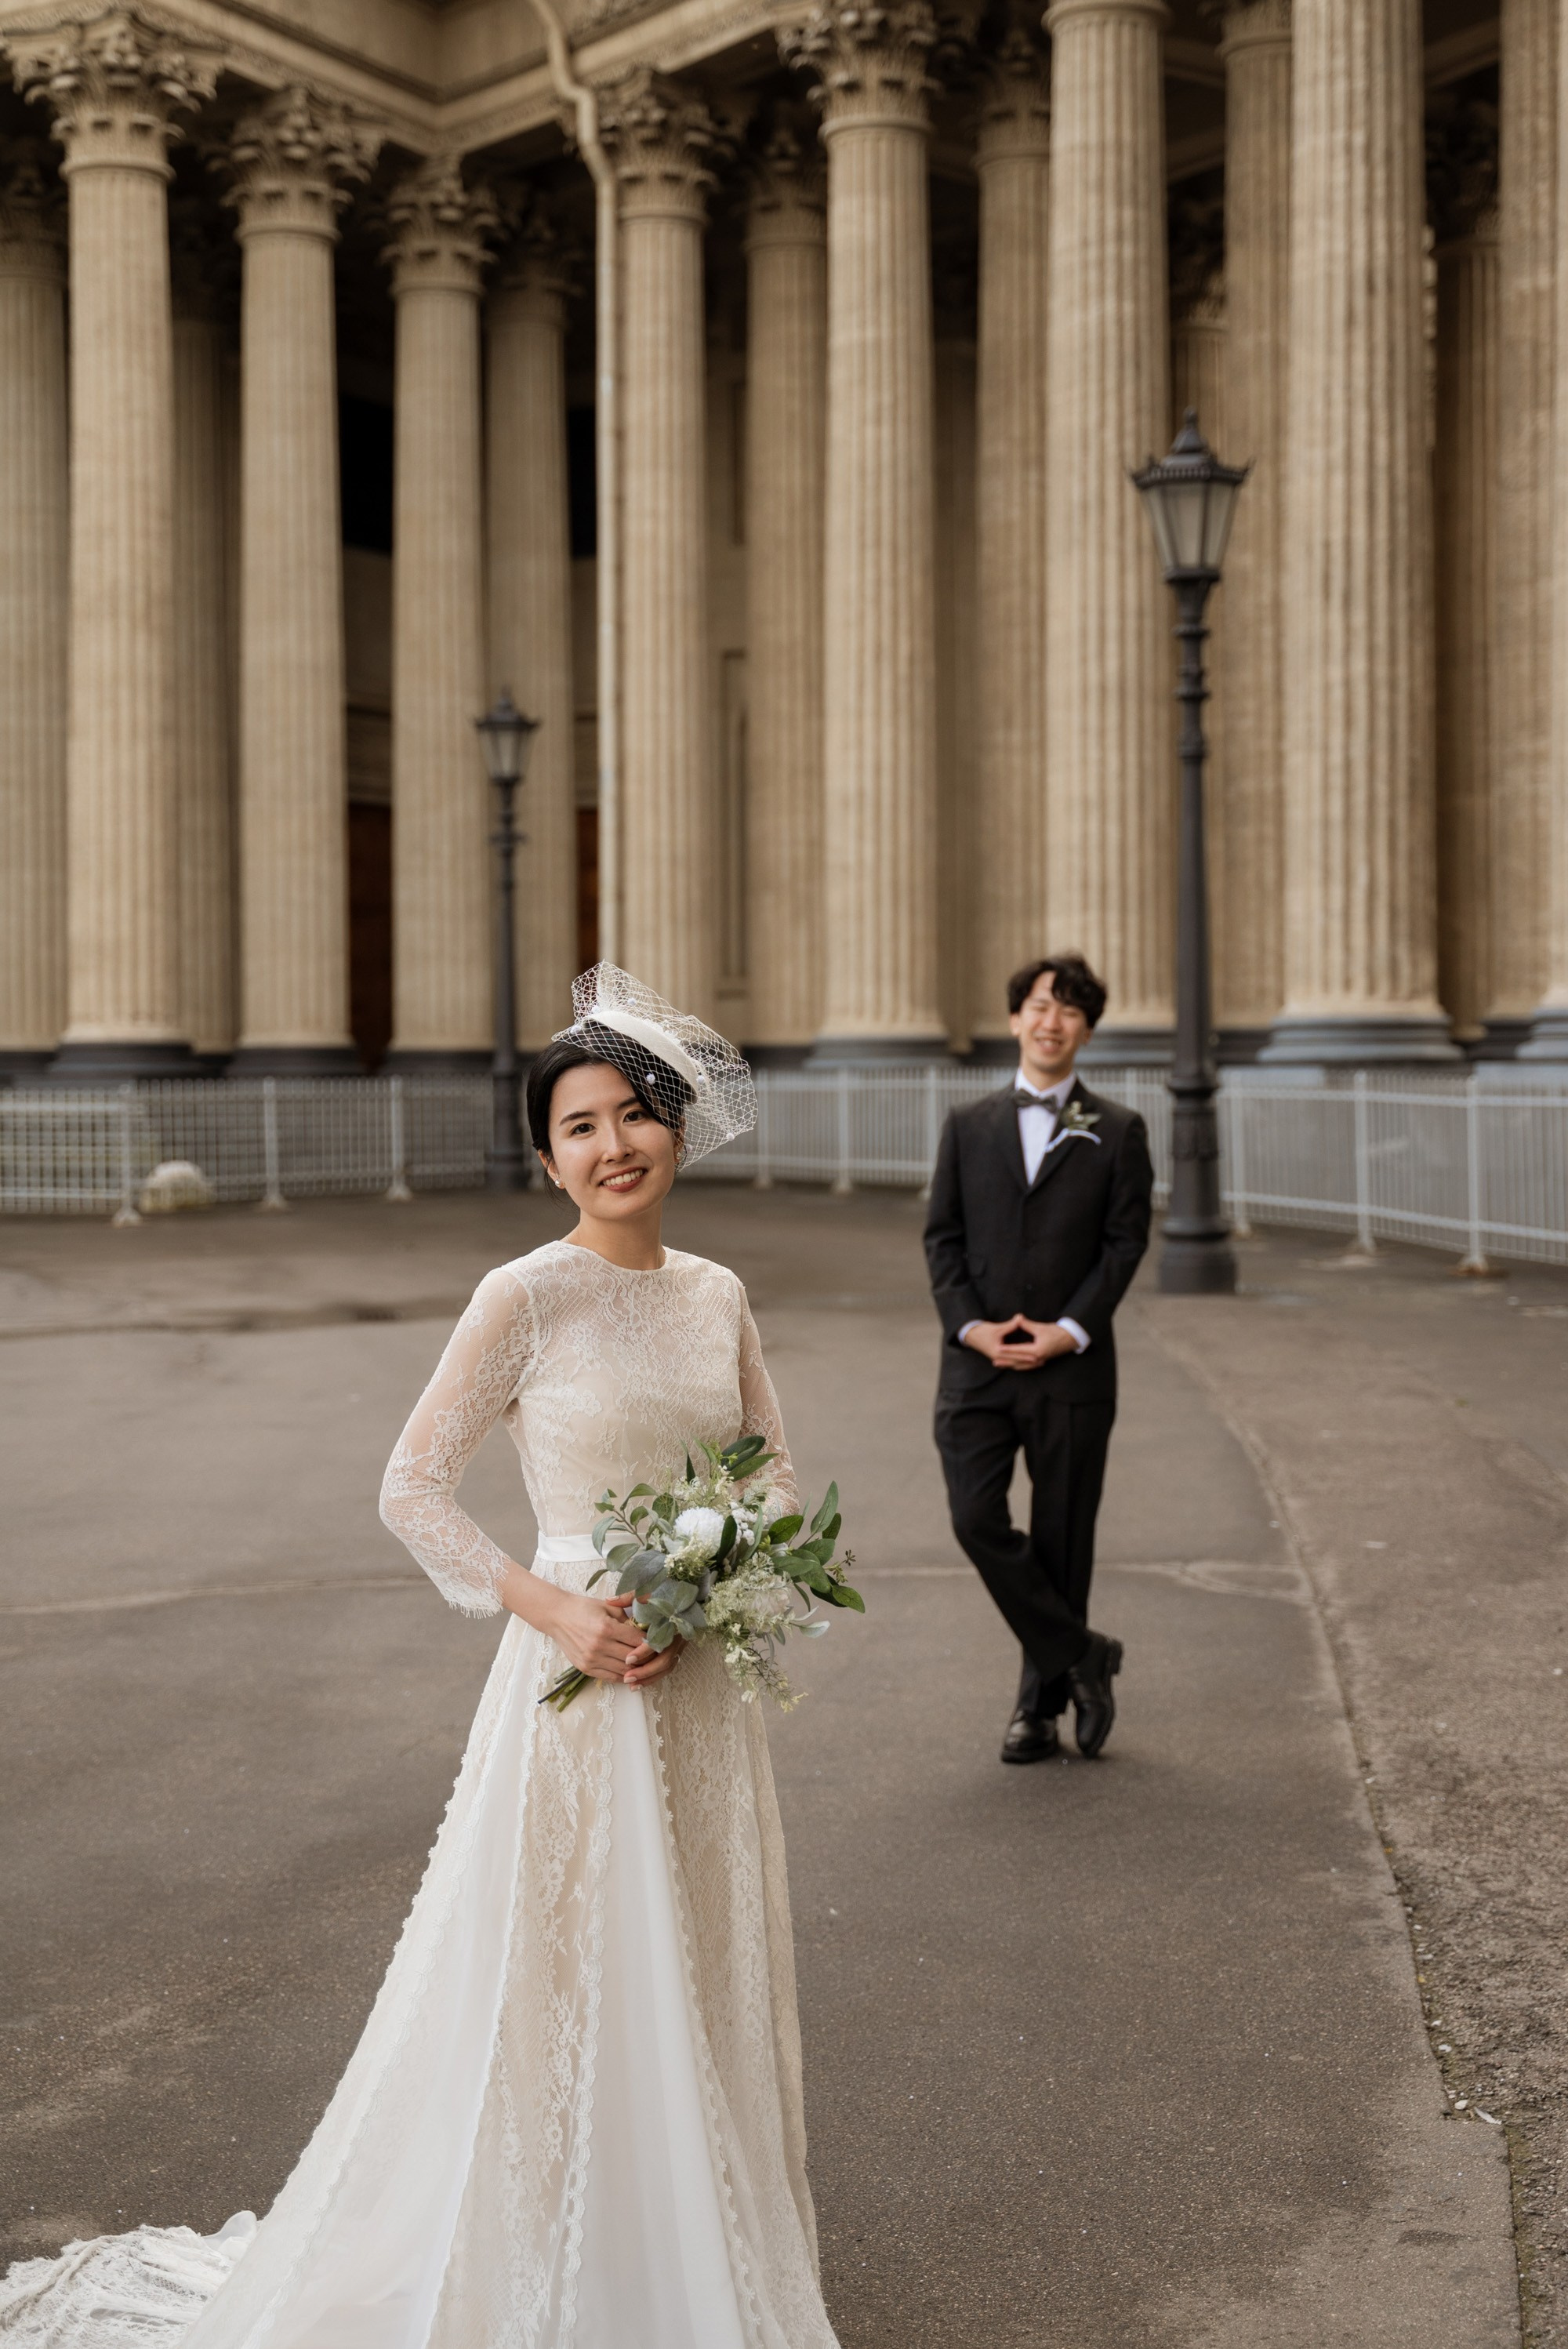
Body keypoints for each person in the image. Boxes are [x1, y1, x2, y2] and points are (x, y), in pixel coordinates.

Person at [1, 966, 840, 2349]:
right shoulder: (525, 1295)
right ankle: (553, 2252)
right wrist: (553, 1607)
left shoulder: (718, 1294)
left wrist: (717, 1576)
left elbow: (773, 1473)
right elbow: (411, 1487)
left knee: (696, 1953)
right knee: (567, 1966)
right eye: (579, 1126)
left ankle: (691, 2245)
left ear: (678, 1128)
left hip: (695, 1678)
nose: (613, 1145)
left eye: (635, 1114)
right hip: (576, 1679)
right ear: (547, 1157)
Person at [924, 955, 1153, 1766]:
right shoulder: (967, 1124)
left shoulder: (1118, 1128)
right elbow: (942, 1239)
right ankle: (1082, 1652)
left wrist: (1071, 1328)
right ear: (1015, 1017)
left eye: (1069, 1010)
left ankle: (1037, 1709)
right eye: (1038, 1005)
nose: (1051, 1021)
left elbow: (1124, 1244)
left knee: (1062, 1539)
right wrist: (970, 1328)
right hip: (977, 1368)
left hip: (1072, 1370)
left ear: (1085, 1030)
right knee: (974, 1518)